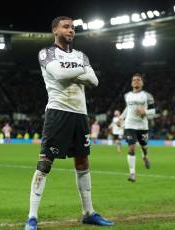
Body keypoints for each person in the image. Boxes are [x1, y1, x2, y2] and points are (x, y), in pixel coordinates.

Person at [24, 16, 113, 230]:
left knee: (82, 162)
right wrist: (81, 71)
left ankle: (88, 213)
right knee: (45, 163)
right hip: (58, 112)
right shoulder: (47, 53)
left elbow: (95, 81)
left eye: (73, 27)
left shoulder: (81, 55)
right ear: (55, 30)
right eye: (66, 27)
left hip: (80, 114)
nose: (71, 30)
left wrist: (75, 74)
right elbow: (61, 75)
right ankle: (32, 217)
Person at [121, 73, 156, 182]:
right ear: (131, 83)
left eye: (138, 80)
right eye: (134, 80)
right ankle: (132, 173)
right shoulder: (127, 95)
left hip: (142, 126)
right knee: (131, 147)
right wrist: (121, 118)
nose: (136, 81)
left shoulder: (148, 96)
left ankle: (145, 156)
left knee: (144, 147)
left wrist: (144, 112)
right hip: (129, 124)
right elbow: (128, 109)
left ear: (142, 83)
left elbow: (153, 112)